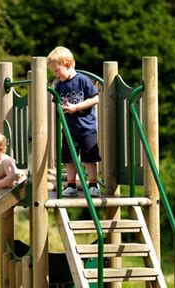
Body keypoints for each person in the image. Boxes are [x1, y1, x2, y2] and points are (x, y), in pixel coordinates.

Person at [47, 46, 101, 197]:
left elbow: (95, 98)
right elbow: (57, 102)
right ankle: (71, 185)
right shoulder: (59, 85)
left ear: (68, 65)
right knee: (69, 158)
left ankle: (93, 184)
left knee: (89, 157)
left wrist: (76, 107)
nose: (55, 74)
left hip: (87, 128)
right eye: (53, 72)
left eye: (57, 70)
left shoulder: (82, 80)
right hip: (69, 129)